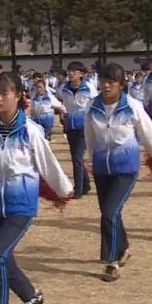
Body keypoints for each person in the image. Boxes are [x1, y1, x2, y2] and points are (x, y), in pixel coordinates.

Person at [0, 73, 73, 304]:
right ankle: (32, 296)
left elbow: (46, 163)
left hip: (21, 205)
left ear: (18, 96)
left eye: (4, 93)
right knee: (4, 258)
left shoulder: (30, 130)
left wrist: (64, 189)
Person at [85, 63, 152, 282]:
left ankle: (112, 262)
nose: (106, 86)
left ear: (121, 85)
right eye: (103, 81)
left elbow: (146, 131)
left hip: (126, 168)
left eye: (111, 82)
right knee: (111, 213)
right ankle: (124, 248)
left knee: (109, 212)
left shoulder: (132, 106)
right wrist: (92, 159)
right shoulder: (93, 106)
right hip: (102, 167)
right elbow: (90, 136)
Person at [57, 61, 96, 200]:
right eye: (69, 71)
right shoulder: (63, 89)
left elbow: (96, 103)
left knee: (77, 158)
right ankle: (86, 184)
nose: (71, 74)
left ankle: (78, 189)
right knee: (76, 157)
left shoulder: (89, 88)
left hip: (84, 126)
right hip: (70, 126)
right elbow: (61, 104)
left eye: (74, 71)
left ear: (81, 74)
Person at [28, 76, 65, 141]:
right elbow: (32, 109)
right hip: (37, 120)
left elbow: (60, 106)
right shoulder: (34, 97)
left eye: (40, 87)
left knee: (45, 139)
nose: (38, 89)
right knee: (38, 138)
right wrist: (32, 116)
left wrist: (64, 114)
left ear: (44, 88)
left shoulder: (50, 97)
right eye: (37, 87)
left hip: (47, 121)